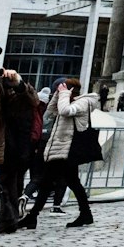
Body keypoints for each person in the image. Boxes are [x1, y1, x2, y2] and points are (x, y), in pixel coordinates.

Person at [25, 78, 97, 229]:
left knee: (58, 182)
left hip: (69, 150)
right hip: (60, 149)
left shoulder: (83, 102)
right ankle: (85, 214)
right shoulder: (64, 100)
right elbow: (48, 115)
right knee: (56, 182)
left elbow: (66, 111)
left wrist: (64, 94)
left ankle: (33, 217)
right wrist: (57, 96)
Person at [0, 47, 35, 234]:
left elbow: (31, 102)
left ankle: (8, 220)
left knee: (3, 184)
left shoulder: (1, 83)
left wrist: (18, 84)